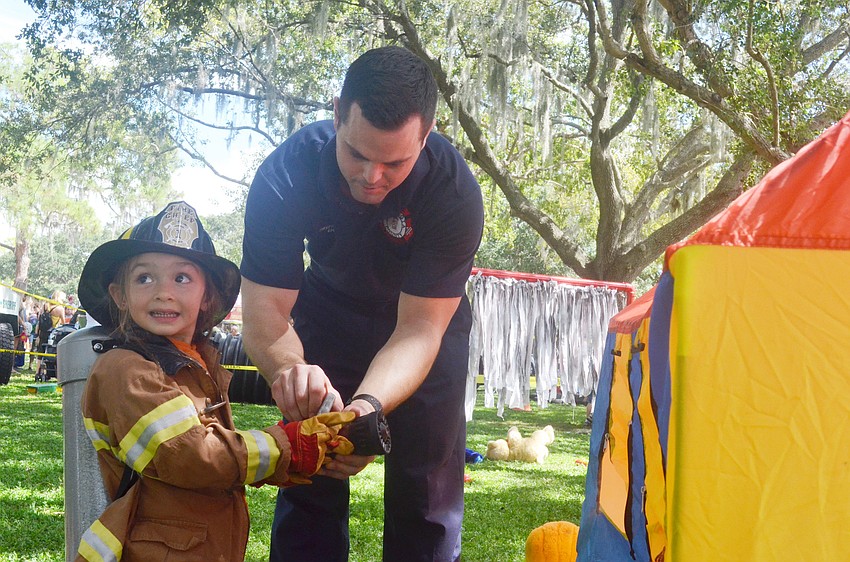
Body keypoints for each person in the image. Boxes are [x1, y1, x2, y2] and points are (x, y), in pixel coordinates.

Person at [241, 46, 484, 561]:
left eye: (394, 162)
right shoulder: (286, 175)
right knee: (309, 476)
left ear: (428, 133)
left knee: (427, 494)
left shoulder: (453, 191)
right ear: (336, 114)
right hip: (326, 315)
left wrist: (367, 409)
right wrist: (293, 370)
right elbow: (265, 314)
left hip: (424, 325)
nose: (372, 177)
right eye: (356, 153)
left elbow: (418, 330)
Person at [75, 201, 356, 561]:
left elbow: (218, 460)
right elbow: (190, 455)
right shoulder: (125, 369)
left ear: (206, 296)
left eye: (182, 278)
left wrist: (307, 451)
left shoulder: (196, 363)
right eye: (144, 277)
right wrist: (284, 447)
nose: (164, 292)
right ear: (120, 296)